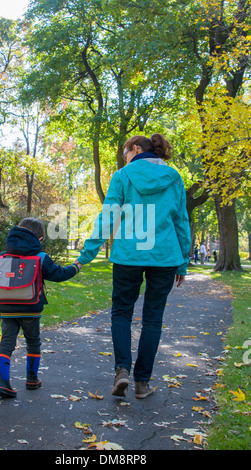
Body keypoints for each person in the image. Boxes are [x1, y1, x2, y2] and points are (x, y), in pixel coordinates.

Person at [76, 134, 191, 399]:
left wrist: (86, 254)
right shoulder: (174, 177)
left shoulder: (123, 176)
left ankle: (121, 371)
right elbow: (181, 221)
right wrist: (183, 263)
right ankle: (142, 384)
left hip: (129, 255)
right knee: (153, 319)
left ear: (135, 149)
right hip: (165, 256)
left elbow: (108, 217)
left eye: (125, 152)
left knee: (121, 314)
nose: (124, 157)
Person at [0, 217, 80, 398]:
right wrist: (76, 267)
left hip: (6, 308)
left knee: (6, 344)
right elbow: (58, 274)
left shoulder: (2, 257)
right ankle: (32, 379)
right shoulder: (40, 257)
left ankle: (1, 382)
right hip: (30, 307)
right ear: (38, 238)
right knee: (33, 343)